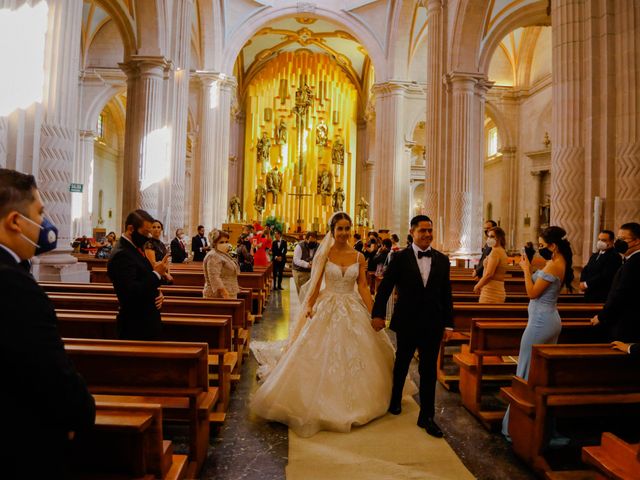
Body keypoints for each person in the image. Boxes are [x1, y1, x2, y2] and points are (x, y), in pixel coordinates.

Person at [251, 212, 398, 437]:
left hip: (351, 305)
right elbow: (316, 283)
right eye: (339, 228)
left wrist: (374, 313)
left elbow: (363, 287)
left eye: (347, 228)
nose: (344, 232)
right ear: (332, 231)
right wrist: (308, 306)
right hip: (327, 304)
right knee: (317, 350)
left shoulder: (359, 257)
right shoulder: (325, 254)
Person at [0, 168, 96, 477]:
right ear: (15, 221)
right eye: (39, 212)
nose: (44, 223)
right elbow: (52, 377)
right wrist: (81, 413)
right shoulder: (15, 288)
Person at [372, 215, 454, 438]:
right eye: (423, 231)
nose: (427, 234)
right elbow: (385, 288)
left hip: (433, 323)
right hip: (407, 320)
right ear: (412, 232)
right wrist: (377, 314)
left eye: (430, 230)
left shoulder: (442, 260)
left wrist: (449, 325)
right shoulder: (399, 258)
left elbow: (446, 294)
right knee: (402, 362)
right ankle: (395, 399)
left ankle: (427, 416)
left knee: (428, 370)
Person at [502, 226, 574, 439]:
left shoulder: (555, 265)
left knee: (525, 370)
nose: (540, 248)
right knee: (538, 373)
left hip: (541, 323)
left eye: (542, 245)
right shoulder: (556, 262)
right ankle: (537, 427)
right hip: (546, 319)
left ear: (553, 246)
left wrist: (525, 269)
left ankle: (516, 427)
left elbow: (532, 293)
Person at [107, 209, 169, 340]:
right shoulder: (122, 254)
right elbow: (130, 292)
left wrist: (156, 292)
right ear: (131, 229)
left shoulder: (134, 248)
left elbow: (141, 279)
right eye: (146, 232)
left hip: (145, 322)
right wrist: (157, 274)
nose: (149, 236)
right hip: (136, 326)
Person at [590, 222, 640, 342]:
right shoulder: (630, 260)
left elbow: (621, 293)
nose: (618, 242)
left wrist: (602, 316)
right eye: (618, 238)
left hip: (627, 323)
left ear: (637, 241)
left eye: (622, 239)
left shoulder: (634, 263)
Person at [579, 229, 622, 303]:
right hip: (589, 293)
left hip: (602, 295)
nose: (600, 242)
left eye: (604, 240)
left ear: (611, 241)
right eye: (599, 239)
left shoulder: (614, 256)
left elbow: (605, 275)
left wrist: (586, 284)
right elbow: (586, 269)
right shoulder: (595, 255)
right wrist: (582, 282)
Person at [473, 227, 509, 303]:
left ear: (499, 238)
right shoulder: (502, 250)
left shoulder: (495, 252)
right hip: (498, 288)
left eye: (492, 236)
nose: (489, 239)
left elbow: (489, 274)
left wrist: (478, 285)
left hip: (491, 291)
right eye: (488, 236)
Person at [203, 229, 239, 299]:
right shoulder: (213, 255)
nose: (225, 244)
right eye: (221, 242)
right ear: (214, 243)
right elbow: (214, 277)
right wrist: (225, 294)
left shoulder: (222, 253)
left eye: (226, 242)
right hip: (219, 296)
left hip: (229, 291)